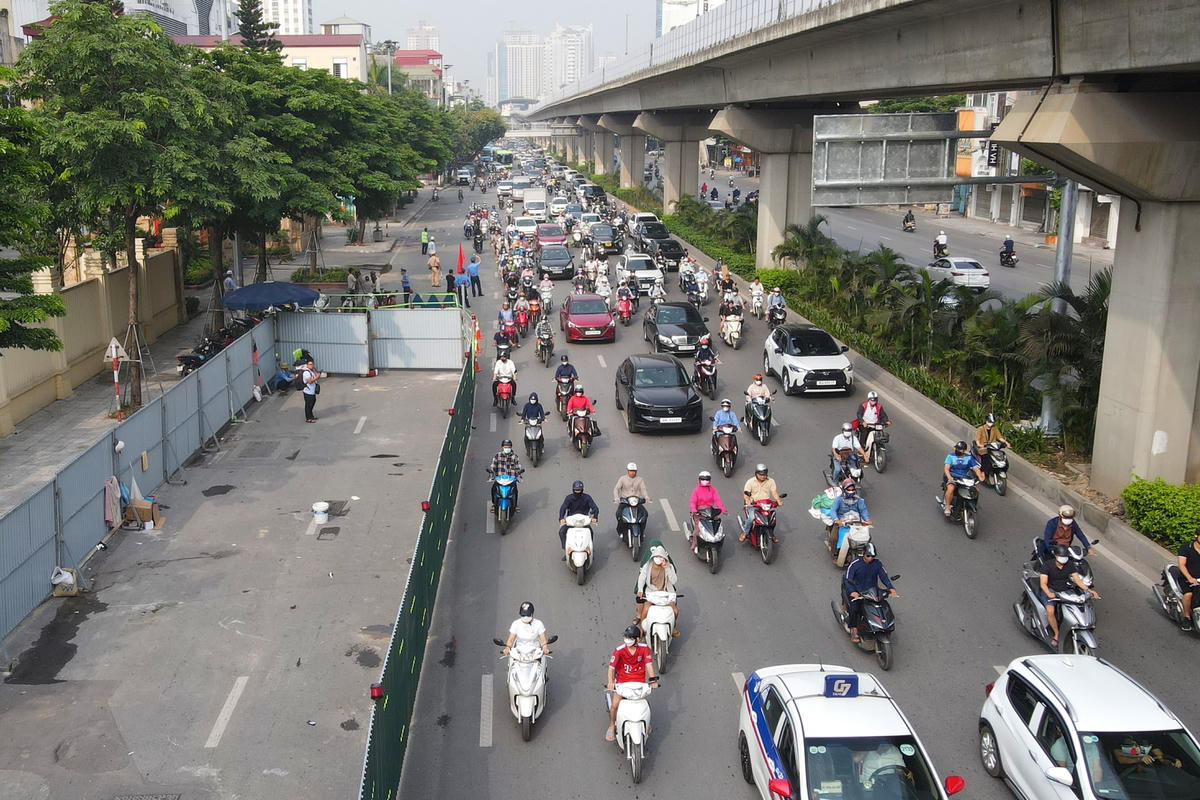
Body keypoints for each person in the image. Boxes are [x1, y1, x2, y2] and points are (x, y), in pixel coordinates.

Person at [605, 624, 658, 742]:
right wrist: (610, 682)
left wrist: (653, 680)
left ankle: (646, 723)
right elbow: (611, 668)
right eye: (626, 637)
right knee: (614, 705)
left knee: (644, 704)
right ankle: (612, 725)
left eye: (630, 638)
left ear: (637, 639)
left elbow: (649, 665)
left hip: (639, 682)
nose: (627, 640)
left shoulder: (644, 649)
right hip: (622, 681)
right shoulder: (619, 651)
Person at [1039, 544, 1101, 646]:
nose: (1064, 559)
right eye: (1061, 557)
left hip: (1065, 590)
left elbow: (1078, 580)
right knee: (1050, 611)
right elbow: (1043, 583)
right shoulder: (1047, 565)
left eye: (1065, 557)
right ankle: (1057, 634)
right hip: (1051, 590)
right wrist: (1049, 594)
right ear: (1055, 555)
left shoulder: (1070, 565)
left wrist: (1089, 590)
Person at [842, 543, 897, 642]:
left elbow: (884, 576)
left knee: (883, 605)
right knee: (854, 608)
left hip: (872, 592)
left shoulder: (877, 564)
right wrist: (853, 591)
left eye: (872, 556)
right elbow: (847, 579)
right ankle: (854, 629)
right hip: (857, 592)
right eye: (868, 556)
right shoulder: (855, 564)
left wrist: (891, 588)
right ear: (863, 554)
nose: (870, 558)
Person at [635, 543, 680, 629]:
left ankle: (672, 628)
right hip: (652, 593)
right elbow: (641, 578)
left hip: (665, 593)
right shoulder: (647, 566)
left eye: (660, 557)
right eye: (656, 556)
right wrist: (640, 590)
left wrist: (667, 568)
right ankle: (642, 629)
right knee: (646, 610)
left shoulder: (669, 566)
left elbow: (674, 580)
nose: (658, 558)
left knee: (675, 611)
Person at [829, 479, 870, 558]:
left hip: (856, 523)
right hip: (842, 523)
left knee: (867, 537)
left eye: (852, 489)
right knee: (833, 538)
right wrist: (837, 520)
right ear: (844, 490)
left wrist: (867, 519)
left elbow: (863, 510)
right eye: (848, 489)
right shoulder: (839, 500)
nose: (851, 491)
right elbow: (833, 510)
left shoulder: (859, 500)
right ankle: (835, 553)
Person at [741, 463, 783, 542]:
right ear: (756, 473)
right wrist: (748, 501)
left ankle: (771, 533)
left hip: (765, 505)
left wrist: (779, 501)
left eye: (764, 474)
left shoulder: (771, 481)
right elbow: (746, 494)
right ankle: (745, 533)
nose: (763, 476)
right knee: (751, 519)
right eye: (760, 475)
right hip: (754, 505)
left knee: (772, 519)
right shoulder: (750, 482)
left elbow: (774, 492)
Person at [942, 440, 985, 517]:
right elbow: (946, 469)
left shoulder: (969, 458)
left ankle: (973, 504)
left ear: (964, 450)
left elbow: (976, 469)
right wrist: (949, 477)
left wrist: (980, 476)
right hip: (953, 477)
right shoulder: (950, 456)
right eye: (957, 448)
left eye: (960, 449)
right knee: (951, 489)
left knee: (976, 491)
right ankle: (947, 506)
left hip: (965, 479)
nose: (958, 450)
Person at [688, 470, 726, 551]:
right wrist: (694, 510)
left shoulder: (712, 490)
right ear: (699, 480)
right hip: (700, 512)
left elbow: (717, 500)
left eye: (707, 479)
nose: (705, 481)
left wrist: (722, 508)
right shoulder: (696, 491)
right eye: (703, 479)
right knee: (697, 530)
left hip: (710, 511)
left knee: (717, 525)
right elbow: (692, 501)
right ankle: (694, 544)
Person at [558, 480, 599, 552]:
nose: (577, 492)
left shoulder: (587, 498)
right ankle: (566, 549)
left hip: (583, 521)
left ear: (582, 490)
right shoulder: (569, 498)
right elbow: (563, 508)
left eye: (579, 490)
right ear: (573, 490)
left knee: (590, 532)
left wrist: (595, 517)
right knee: (562, 532)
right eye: (576, 490)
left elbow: (595, 508)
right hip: (571, 521)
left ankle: (590, 549)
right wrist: (561, 518)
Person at [1173, 528, 1200, 631]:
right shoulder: (1186, 548)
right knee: (1188, 594)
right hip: (1187, 578)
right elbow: (1182, 565)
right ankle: (1187, 617)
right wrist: (1190, 578)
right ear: (1196, 536)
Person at [488, 438, 524, 511]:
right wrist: (491, 475)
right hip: (499, 479)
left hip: (511, 479)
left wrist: (518, 475)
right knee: (493, 489)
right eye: (505, 447)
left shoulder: (515, 457)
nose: (507, 448)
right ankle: (494, 504)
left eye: (508, 447)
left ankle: (515, 505)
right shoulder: (497, 456)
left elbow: (518, 467)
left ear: (511, 447)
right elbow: (493, 466)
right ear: (502, 447)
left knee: (515, 491)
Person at [973, 413, 1010, 477]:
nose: (991, 423)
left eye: (992, 422)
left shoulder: (995, 428)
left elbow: (999, 437)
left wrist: (1006, 443)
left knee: (1002, 455)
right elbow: (977, 439)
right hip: (984, 448)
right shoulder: (980, 429)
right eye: (990, 421)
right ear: (986, 421)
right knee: (986, 458)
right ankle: (984, 473)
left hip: (993, 447)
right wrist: (980, 444)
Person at [301, 356, 319, 423]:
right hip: (307, 391)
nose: (312, 365)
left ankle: (311, 416)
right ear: (307, 365)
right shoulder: (306, 372)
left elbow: (317, 375)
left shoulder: (311, 371)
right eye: (310, 364)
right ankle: (308, 418)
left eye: (312, 364)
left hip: (312, 391)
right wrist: (316, 377)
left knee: (313, 402)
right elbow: (310, 381)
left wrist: (314, 370)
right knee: (308, 405)